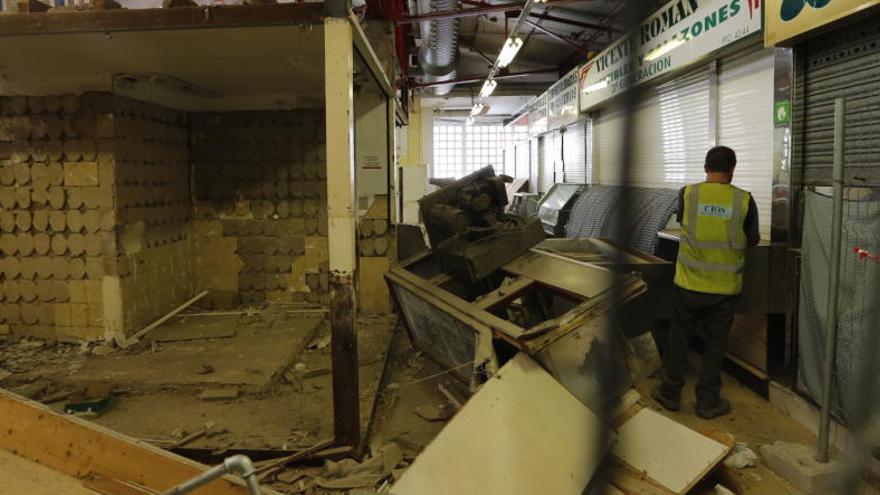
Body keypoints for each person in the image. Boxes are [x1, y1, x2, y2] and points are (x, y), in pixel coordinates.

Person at [652, 146, 760, 419]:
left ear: (705, 168)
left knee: (679, 339)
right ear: (732, 169)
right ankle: (708, 402)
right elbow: (753, 239)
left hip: (688, 284)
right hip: (724, 289)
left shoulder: (688, 194)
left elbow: (685, 223)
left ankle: (670, 394)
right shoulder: (745, 200)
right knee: (715, 345)